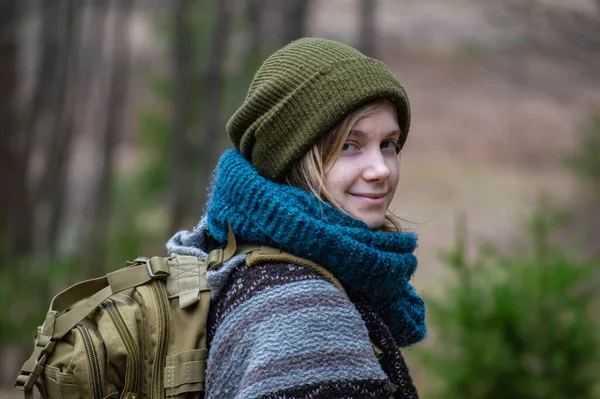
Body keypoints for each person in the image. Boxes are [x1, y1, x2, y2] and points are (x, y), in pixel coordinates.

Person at [167, 37, 426, 399]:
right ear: (292, 157)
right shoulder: (308, 313)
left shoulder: (234, 249)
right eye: (349, 146)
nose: (381, 169)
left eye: (388, 144)